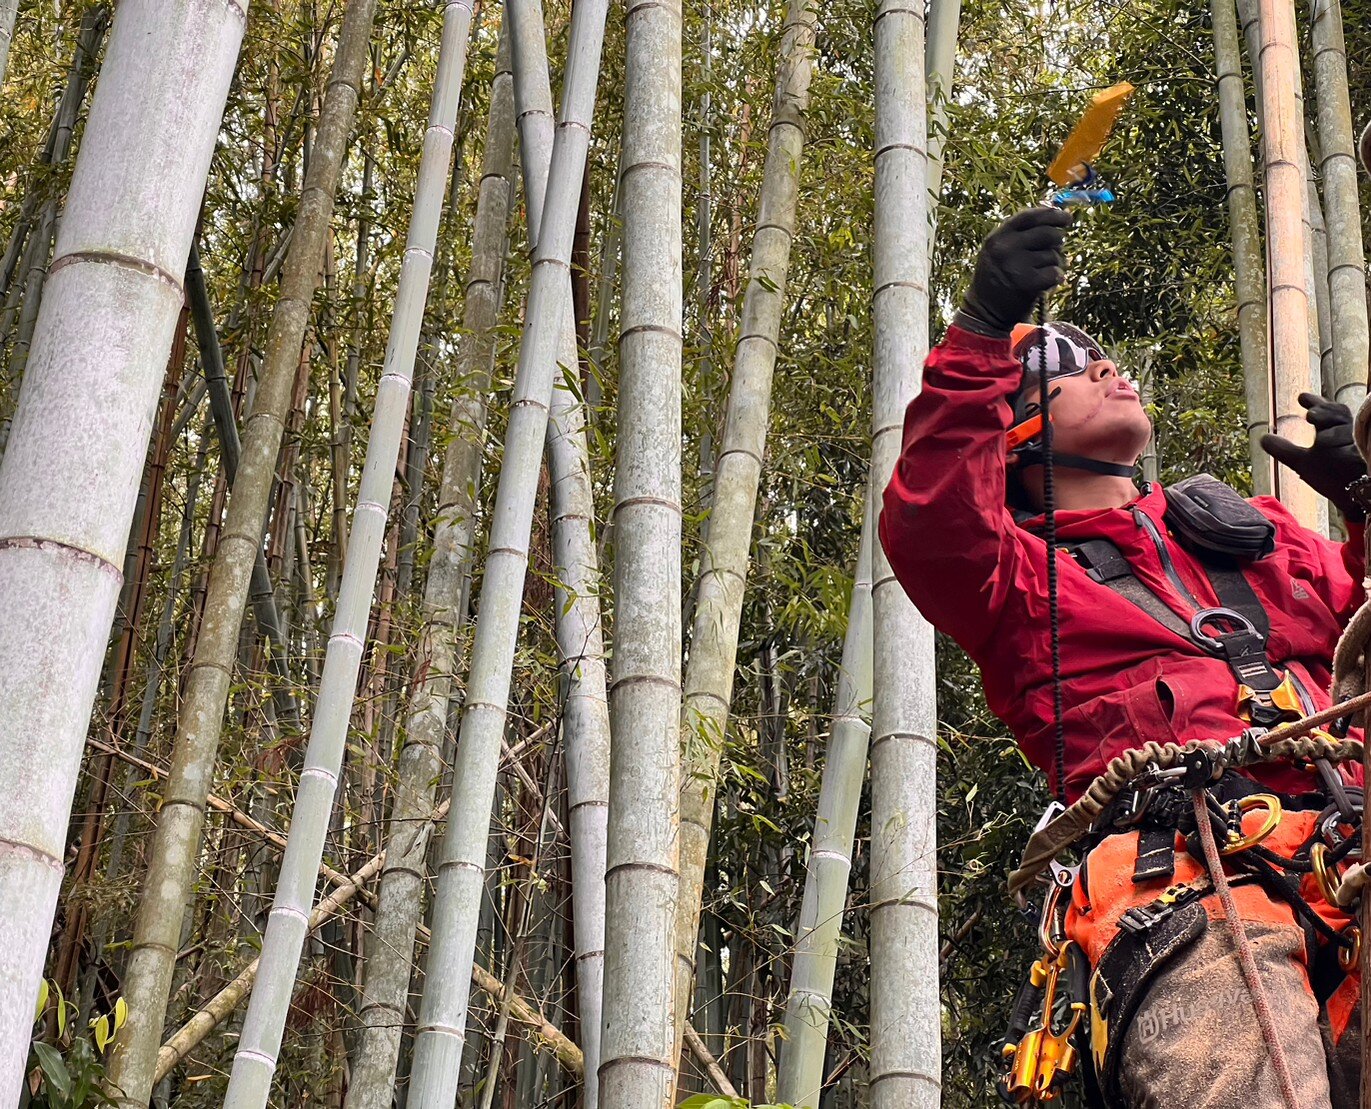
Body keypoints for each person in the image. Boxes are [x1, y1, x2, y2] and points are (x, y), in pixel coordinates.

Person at [879, 206, 1368, 1108]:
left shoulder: (1252, 538)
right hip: (1190, 889)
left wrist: (1364, 505)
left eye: (1101, 355)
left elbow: (1360, 636)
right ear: (1014, 430)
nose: (1105, 366)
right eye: (1062, 371)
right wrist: (983, 329)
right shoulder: (1019, 579)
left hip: (1350, 848)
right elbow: (933, 522)